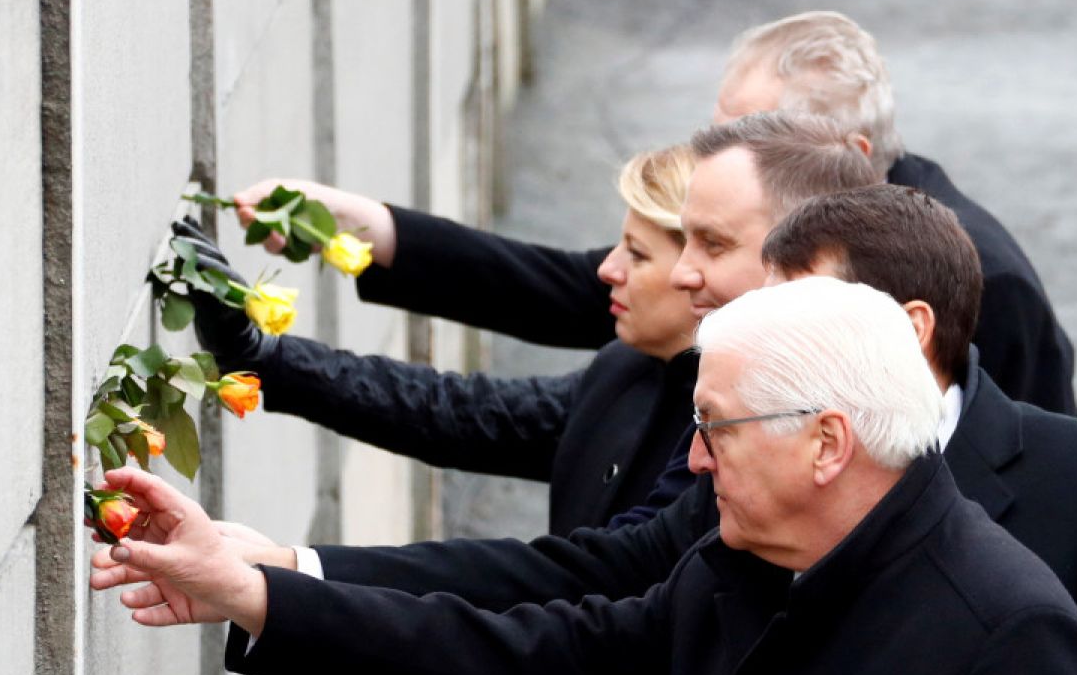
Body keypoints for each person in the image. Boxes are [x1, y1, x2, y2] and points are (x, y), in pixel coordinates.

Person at [93, 278, 1077, 675]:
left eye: (715, 427)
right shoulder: (739, 560)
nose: (690, 458)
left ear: (826, 442)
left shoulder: (1009, 632)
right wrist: (255, 589)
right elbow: (536, 656)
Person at [236, 10, 1076, 415]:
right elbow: (575, 288)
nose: (721, 153)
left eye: (760, 134)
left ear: (851, 160)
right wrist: (366, 229)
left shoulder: (984, 281)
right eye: (721, 126)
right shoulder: (810, 220)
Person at [181, 145, 704, 537]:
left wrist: (278, 576)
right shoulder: (627, 370)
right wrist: (265, 357)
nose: (607, 270)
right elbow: (461, 411)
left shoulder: (718, 456)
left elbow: (558, 592)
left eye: (635, 254)